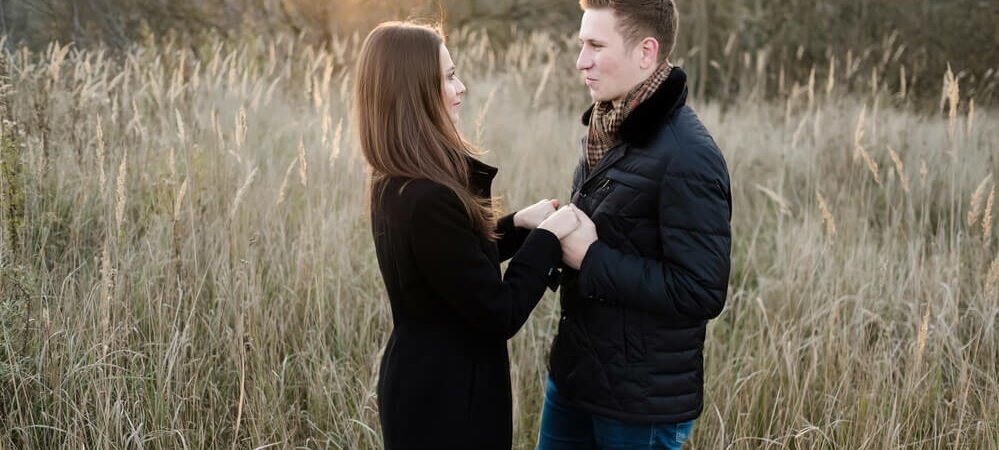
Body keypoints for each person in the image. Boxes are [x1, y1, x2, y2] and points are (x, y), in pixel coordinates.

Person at [355, 22, 580, 449]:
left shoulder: (398, 179)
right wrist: (548, 239)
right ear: (416, 91)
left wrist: (517, 225)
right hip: (445, 404)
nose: (462, 88)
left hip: (428, 384)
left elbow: (452, 264)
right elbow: (498, 312)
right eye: (449, 76)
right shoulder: (428, 198)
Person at [538, 1, 733, 448]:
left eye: (595, 45)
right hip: (574, 380)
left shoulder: (688, 155)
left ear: (646, 52)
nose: (580, 60)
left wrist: (592, 257)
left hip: (639, 408)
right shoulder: (608, 125)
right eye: (581, 43)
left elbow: (701, 290)